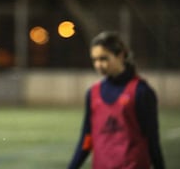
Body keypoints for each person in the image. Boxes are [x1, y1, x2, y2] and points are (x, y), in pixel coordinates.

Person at [68, 31, 165, 169]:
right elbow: (87, 138)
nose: (98, 65)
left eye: (103, 59)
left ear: (120, 56)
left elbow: (152, 140)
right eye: (94, 60)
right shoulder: (93, 93)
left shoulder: (141, 92)